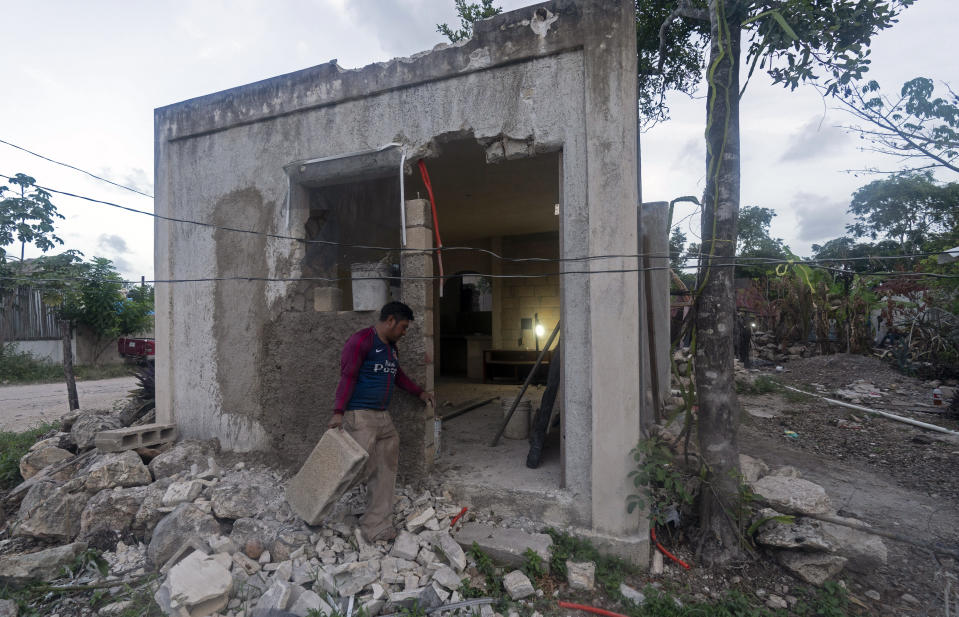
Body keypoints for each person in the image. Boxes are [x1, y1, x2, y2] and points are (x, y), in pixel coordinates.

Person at [328, 301, 434, 542]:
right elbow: (348, 376)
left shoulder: (392, 349)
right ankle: (317, 503)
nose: (405, 333)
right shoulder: (361, 341)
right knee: (353, 469)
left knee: (386, 467)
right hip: (360, 415)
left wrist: (420, 393)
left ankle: (375, 525)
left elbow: (398, 376)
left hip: (383, 416)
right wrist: (338, 412)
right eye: (403, 327)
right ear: (390, 321)